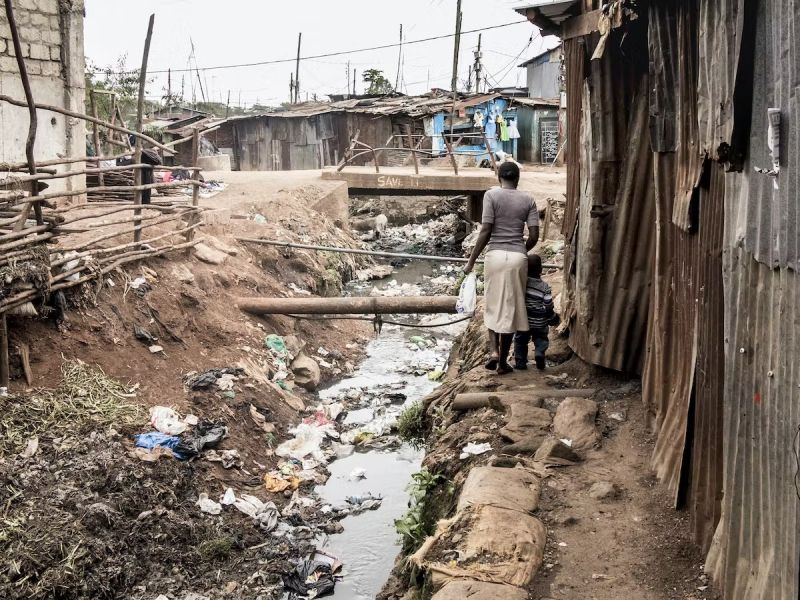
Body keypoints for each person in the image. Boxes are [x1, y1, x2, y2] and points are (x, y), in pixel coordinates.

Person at [464, 161, 539, 375]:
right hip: (517, 258)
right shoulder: (529, 199)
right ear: (517, 179)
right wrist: (521, 249)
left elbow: (486, 230)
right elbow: (534, 236)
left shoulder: (491, 196)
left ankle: (493, 351)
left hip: (494, 256)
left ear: (499, 178)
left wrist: (471, 261)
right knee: (510, 308)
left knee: (493, 303)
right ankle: (503, 363)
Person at [513, 253, 560, 370]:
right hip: (539, 321)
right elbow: (548, 304)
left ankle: (520, 362)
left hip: (523, 320)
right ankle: (539, 352)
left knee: (520, 340)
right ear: (541, 269)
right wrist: (552, 316)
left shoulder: (522, 284)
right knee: (541, 338)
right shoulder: (545, 287)